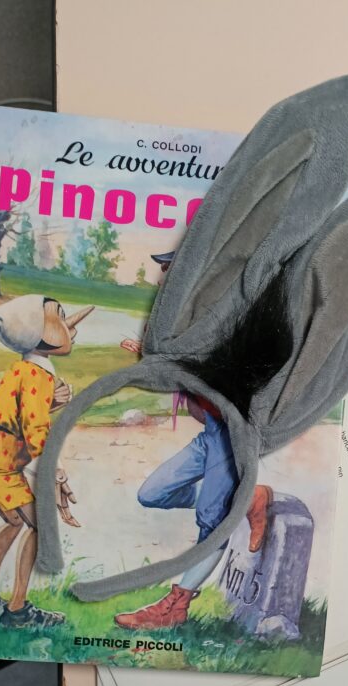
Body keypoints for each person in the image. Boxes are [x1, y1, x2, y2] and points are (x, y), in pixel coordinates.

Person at [113, 251, 272, 631]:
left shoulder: (218, 314)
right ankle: (244, 498)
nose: (162, 284)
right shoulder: (186, 319)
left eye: (169, 275)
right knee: (153, 492)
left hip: (230, 435)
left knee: (211, 523)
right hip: (212, 431)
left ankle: (176, 605)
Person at [0, 294, 93, 628]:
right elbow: (35, 431)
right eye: (59, 319)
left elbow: (13, 413)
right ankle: (17, 610)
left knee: (15, 522)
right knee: (41, 526)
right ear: (38, 332)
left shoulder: (25, 368)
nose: (70, 327)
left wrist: (52, 403)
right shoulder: (37, 376)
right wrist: (55, 473)